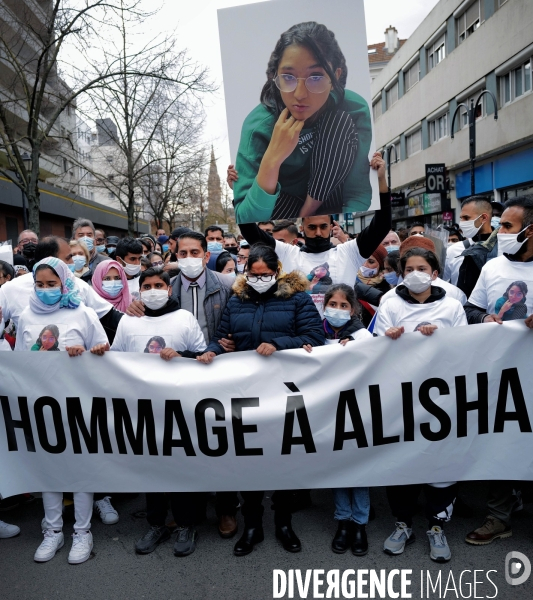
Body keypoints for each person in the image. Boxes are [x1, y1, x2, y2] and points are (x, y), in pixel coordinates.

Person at [197, 244, 325, 556]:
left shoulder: (297, 298)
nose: (259, 279)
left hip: (285, 392)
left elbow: (314, 337)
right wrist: (215, 347)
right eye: (253, 275)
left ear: (276, 271)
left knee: (283, 459)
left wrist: (278, 344)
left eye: (265, 274)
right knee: (248, 459)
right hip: (246, 391)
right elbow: (224, 335)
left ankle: (284, 523)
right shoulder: (237, 299)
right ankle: (252, 525)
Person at [126, 232, 238, 537]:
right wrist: (135, 307)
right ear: (175, 255)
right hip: (178, 378)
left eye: (194, 252)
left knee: (220, 444)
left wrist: (225, 344)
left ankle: (226, 509)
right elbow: (149, 315)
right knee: (188, 446)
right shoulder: (166, 287)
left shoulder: (227, 285)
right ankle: (190, 510)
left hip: (216, 370)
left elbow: (237, 320)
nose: (188, 257)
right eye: (182, 252)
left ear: (205, 255)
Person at [91, 267, 206, 557]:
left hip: (180, 408)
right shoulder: (129, 322)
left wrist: (183, 357)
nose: (153, 290)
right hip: (141, 409)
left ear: (169, 289)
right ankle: (156, 523)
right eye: (147, 285)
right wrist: (100, 354)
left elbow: (204, 358)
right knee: (152, 469)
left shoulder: (184, 318)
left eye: (159, 285)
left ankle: (185, 523)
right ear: (139, 290)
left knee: (182, 468)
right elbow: (117, 362)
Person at [374, 247, 467, 563]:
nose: (415, 273)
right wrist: (390, 337)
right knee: (401, 460)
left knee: (442, 462)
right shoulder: (389, 303)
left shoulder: (453, 306)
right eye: (409, 268)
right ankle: (402, 523)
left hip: (443, 398)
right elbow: (374, 349)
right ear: (401, 273)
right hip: (400, 395)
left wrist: (438, 337)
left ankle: (437, 527)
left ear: (435, 273)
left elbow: (468, 348)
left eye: (422, 268)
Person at [15, 257, 108, 564]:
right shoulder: (26, 316)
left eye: (51, 284)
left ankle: (82, 532)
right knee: (48, 471)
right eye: (39, 285)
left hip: (77, 406)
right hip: (40, 407)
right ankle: (53, 531)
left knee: (80, 471)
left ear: (65, 283)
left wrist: (89, 353)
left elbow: (105, 352)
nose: (45, 290)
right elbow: (20, 363)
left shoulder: (83, 313)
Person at [232, 21, 373, 221]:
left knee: (340, 120)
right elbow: (246, 215)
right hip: (281, 210)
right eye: (288, 77)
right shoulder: (258, 126)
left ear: (335, 77)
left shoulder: (354, 108)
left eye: (315, 77)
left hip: (330, 204)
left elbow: (357, 193)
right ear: (274, 76)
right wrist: (272, 159)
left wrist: (334, 229)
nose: (299, 94)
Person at [238, 153, 391, 315]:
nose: (318, 232)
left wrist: (381, 181)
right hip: (301, 336)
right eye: (312, 227)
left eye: (323, 226)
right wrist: (239, 191)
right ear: (302, 227)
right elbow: (249, 230)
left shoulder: (349, 252)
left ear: (331, 226)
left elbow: (382, 225)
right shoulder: (286, 253)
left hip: (342, 337)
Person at [0, 237, 122, 341]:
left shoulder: (77, 285)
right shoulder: (10, 291)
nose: (73, 262)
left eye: (52, 284)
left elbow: (110, 317)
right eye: (68, 258)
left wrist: (137, 318)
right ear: (50, 259)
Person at [444, 197, 494, 285]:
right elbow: (442, 281)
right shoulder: (453, 250)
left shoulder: (503, 248)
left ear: (483, 218)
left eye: (466, 218)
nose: (461, 223)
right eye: (461, 218)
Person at [91, 260, 131, 342]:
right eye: (107, 279)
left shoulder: (133, 303)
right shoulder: (90, 306)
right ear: (98, 280)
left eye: (117, 278)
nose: (113, 282)